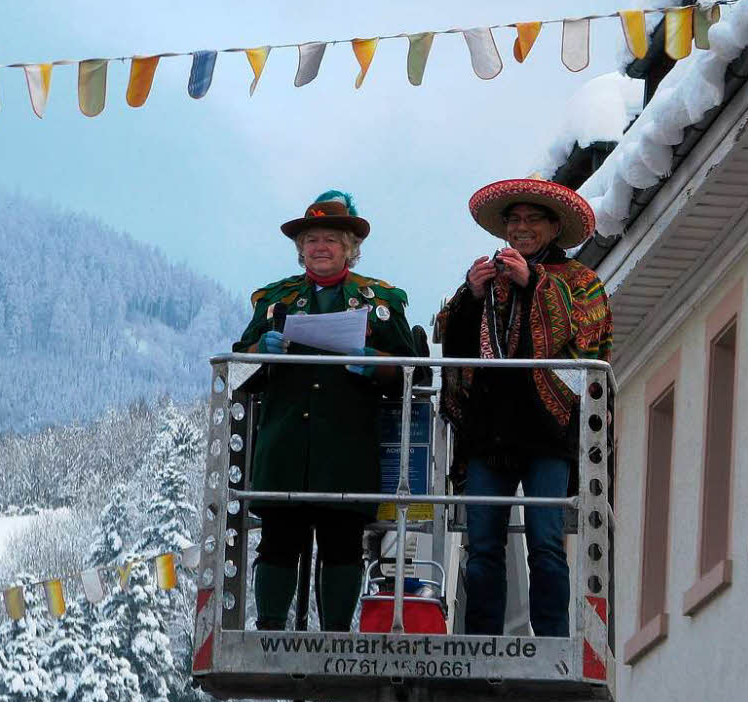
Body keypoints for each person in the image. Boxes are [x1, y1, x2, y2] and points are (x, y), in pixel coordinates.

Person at [435, 177, 613, 637]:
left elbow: (583, 343)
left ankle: (552, 638)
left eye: (533, 220)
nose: (522, 228)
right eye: (514, 220)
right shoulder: (486, 282)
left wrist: (535, 283)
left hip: (547, 434)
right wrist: (470, 298)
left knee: (547, 541)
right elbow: (454, 352)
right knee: (484, 545)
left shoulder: (582, 282)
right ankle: (480, 639)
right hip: (488, 432)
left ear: (555, 228)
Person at [234, 190, 417, 631]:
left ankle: (335, 632)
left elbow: (412, 372)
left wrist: (375, 364)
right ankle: (271, 629)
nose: (320, 247)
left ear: (349, 248)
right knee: (279, 541)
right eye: (312, 239)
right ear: (300, 250)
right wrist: (264, 349)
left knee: (342, 544)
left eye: (330, 239)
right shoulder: (276, 301)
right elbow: (240, 366)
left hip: (346, 446)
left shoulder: (380, 301)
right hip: (285, 446)